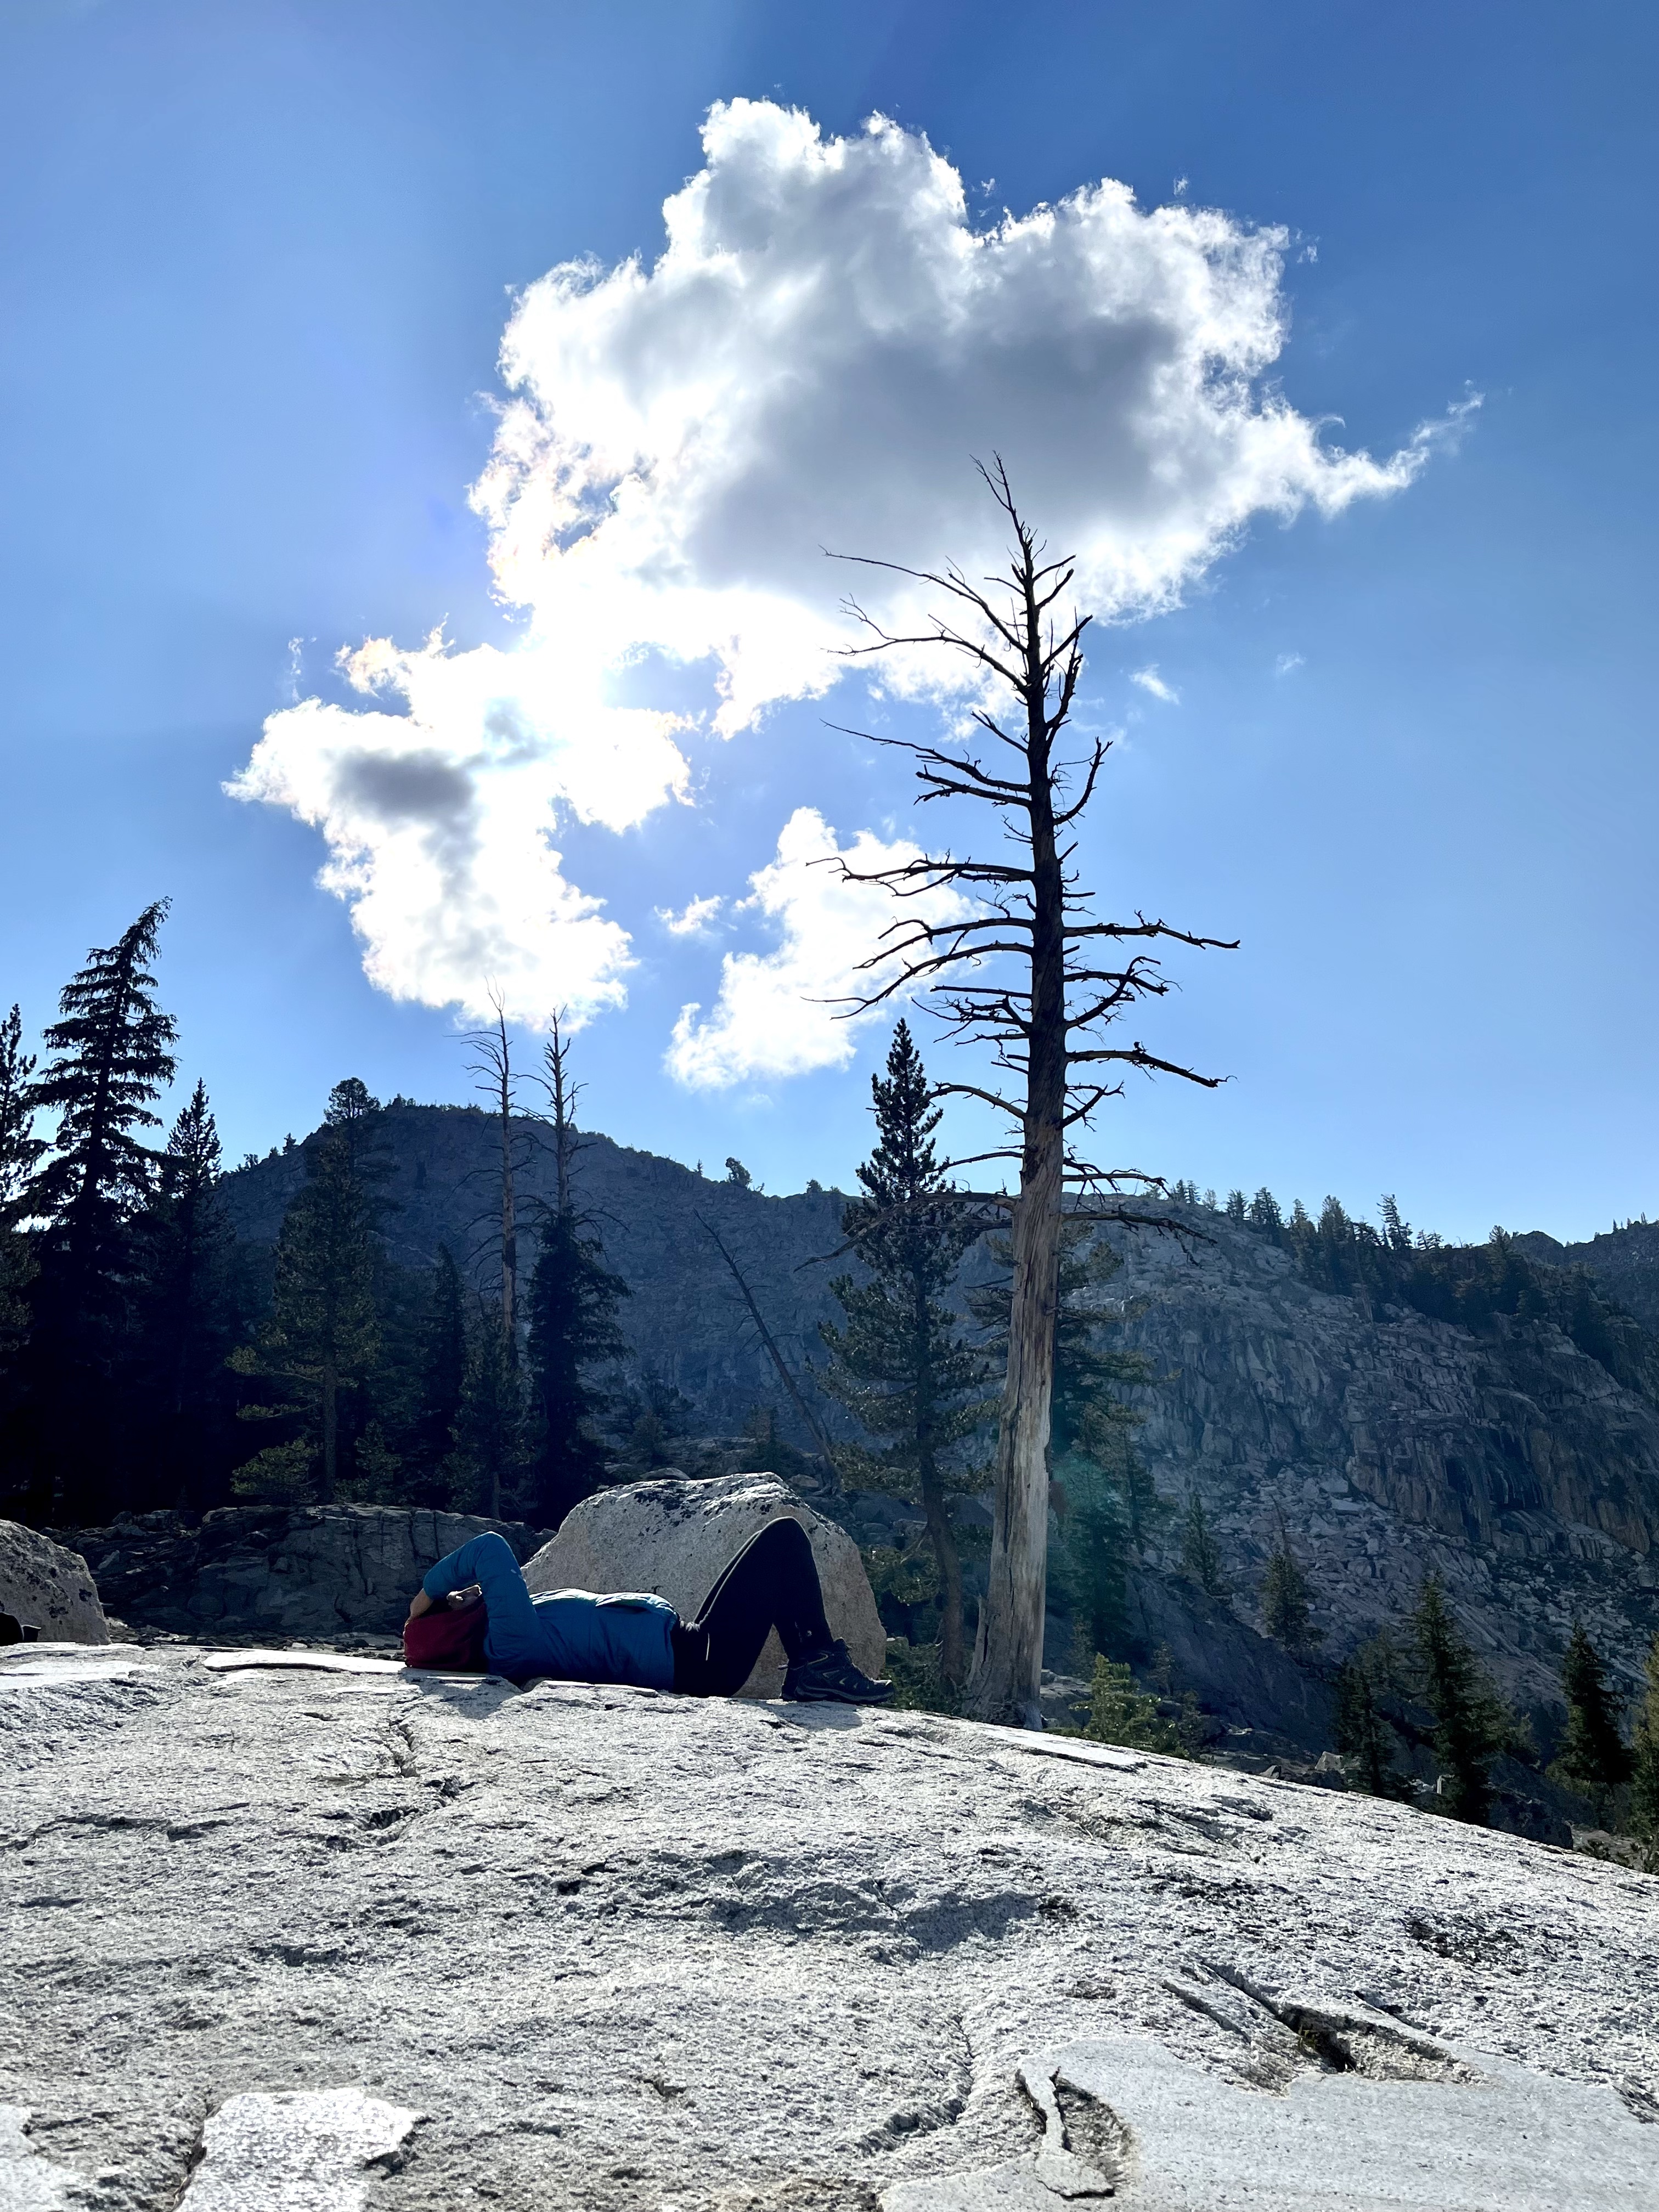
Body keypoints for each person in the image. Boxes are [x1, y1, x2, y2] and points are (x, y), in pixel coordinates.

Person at [408, 1517, 893, 1704]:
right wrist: (424, 1599)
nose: (467, 1593)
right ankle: (818, 1666)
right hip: (698, 1665)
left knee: (773, 1556)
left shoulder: (509, 1639)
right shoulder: (507, 1641)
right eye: (455, 1601)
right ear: (458, 1626)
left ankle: (814, 1666)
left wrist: (434, 1612)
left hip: (690, 1647)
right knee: (783, 1538)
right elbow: (490, 1550)